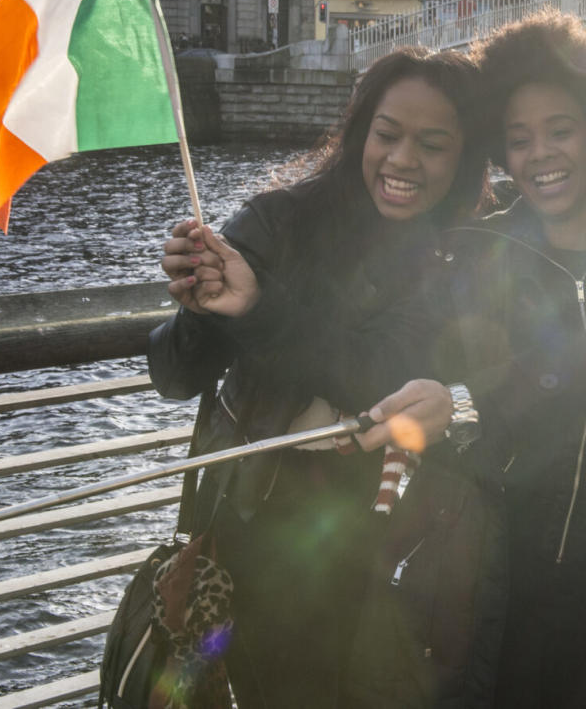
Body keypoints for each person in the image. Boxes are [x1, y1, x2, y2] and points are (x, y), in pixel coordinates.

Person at [147, 47, 492, 708]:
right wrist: (200, 301)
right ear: (360, 131)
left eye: (433, 144)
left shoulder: (466, 253)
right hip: (268, 526)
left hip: (402, 535)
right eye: (386, 135)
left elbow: (374, 374)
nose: (401, 161)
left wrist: (257, 307)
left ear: (465, 156)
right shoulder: (278, 222)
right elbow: (172, 374)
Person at [366, 11, 586, 707]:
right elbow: (407, 358)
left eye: (561, 131)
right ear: (501, 155)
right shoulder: (479, 254)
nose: (541, 154)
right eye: (518, 140)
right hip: (487, 577)